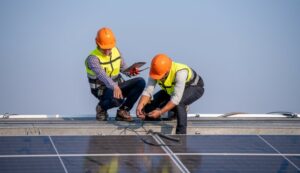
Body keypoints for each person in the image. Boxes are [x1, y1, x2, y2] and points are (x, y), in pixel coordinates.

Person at [85, 27, 145, 121]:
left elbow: (123, 68)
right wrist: (114, 86)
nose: (107, 51)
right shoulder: (92, 59)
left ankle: (123, 111)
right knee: (117, 99)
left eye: (109, 48)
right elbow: (102, 76)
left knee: (141, 82)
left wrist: (130, 72)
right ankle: (101, 108)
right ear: (97, 43)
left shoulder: (116, 51)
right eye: (104, 49)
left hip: (117, 85)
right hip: (102, 88)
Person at [136, 54, 204, 134]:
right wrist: (140, 106)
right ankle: (172, 110)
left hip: (194, 88)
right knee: (147, 109)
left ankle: (181, 133)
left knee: (179, 103)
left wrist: (161, 112)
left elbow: (176, 99)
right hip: (172, 91)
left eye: (161, 76)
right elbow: (148, 91)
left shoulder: (180, 72)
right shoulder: (155, 71)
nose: (159, 79)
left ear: (167, 71)